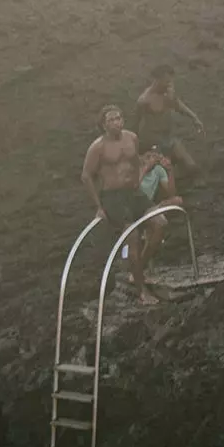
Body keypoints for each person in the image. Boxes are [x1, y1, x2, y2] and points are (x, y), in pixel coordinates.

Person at [79, 106, 166, 305]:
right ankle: (141, 291)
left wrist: (137, 180)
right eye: (111, 120)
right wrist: (99, 206)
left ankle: (137, 271)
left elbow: (135, 161)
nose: (117, 122)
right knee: (133, 237)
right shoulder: (98, 147)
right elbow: (86, 176)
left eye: (119, 117)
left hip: (133, 193)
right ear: (103, 124)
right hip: (113, 196)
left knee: (160, 223)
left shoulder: (132, 138)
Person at [131, 65, 205, 182]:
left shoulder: (168, 92)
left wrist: (194, 118)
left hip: (168, 138)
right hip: (152, 142)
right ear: (157, 80)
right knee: (163, 175)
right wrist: (135, 150)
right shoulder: (144, 100)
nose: (169, 84)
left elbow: (178, 105)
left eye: (170, 81)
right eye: (167, 81)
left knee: (192, 168)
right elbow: (134, 125)